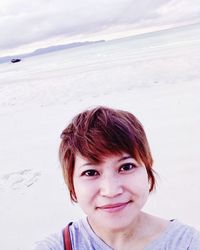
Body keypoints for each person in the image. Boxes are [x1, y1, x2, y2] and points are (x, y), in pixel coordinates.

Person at [34, 106, 200, 249]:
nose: (111, 191)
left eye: (126, 167)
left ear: (148, 170)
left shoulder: (187, 244)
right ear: (72, 184)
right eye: (91, 172)